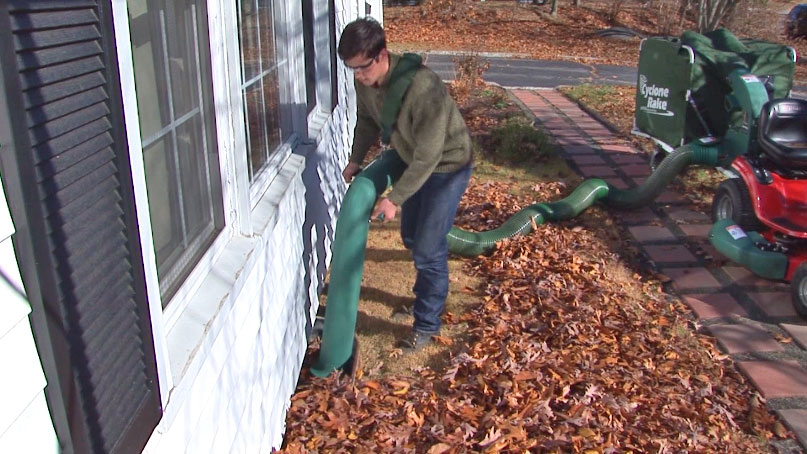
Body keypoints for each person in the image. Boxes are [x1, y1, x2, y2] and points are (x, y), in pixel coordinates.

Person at [337, 17, 473, 351]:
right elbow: (367, 122)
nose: (358, 75)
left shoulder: (422, 88)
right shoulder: (365, 82)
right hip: (415, 160)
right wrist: (356, 159)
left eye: (362, 67)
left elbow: (429, 156)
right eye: (351, 69)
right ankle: (424, 296)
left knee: (428, 249)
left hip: (447, 165)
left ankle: (426, 323)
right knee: (412, 237)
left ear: (382, 55)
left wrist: (393, 198)